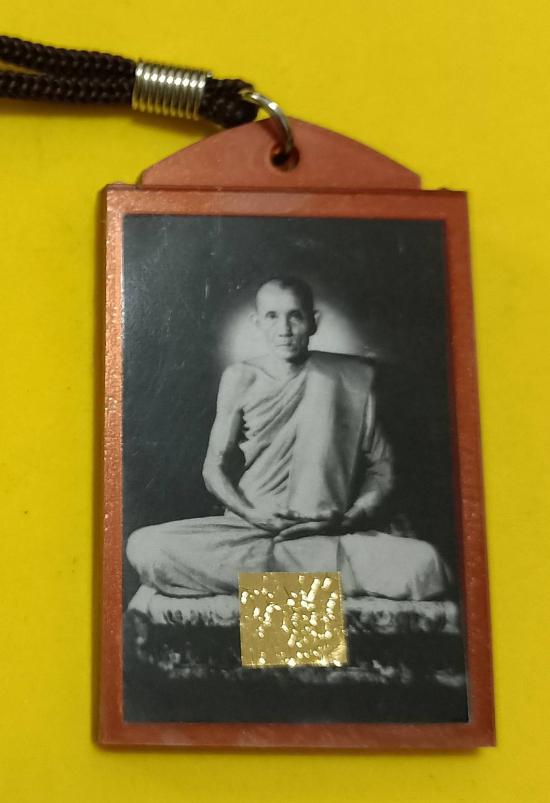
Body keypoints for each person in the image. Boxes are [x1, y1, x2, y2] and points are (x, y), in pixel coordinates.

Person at [127, 276, 449, 600]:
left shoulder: (350, 378)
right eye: (272, 316)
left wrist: (347, 519)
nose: (284, 329)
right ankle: (315, 583)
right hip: (251, 531)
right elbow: (214, 468)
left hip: (328, 531)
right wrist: (252, 514)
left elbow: (383, 469)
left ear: (313, 321)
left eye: (295, 316)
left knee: (427, 565)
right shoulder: (241, 378)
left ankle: (276, 584)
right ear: (257, 323)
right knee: (146, 546)